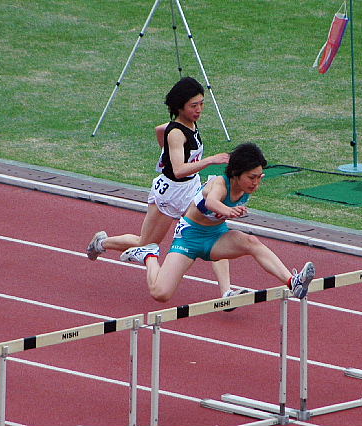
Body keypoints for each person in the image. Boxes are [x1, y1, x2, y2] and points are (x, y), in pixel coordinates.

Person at [87, 77, 242, 298]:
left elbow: (160, 129)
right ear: (180, 106)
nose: (199, 110)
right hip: (170, 193)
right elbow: (178, 170)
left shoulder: (188, 124)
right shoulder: (177, 133)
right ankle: (101, 242)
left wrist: (165, 152)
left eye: (201, 104)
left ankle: (227, 291)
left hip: (192, 188)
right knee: (146, 243)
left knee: (213, 229)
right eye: (193, 105)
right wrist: (210, 160)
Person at [119, 143, 316, 303]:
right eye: (251, 178)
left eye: (259, 177)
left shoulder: (246, 187)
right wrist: (228, 210)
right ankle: (148, 255)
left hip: (216, 238)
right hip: (189, 238)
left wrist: (232, 211)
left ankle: (293, 282)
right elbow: (211, 202)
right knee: (161, 294)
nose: (256, 183)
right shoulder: (219, 183)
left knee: (251, 242)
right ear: (236, 173)